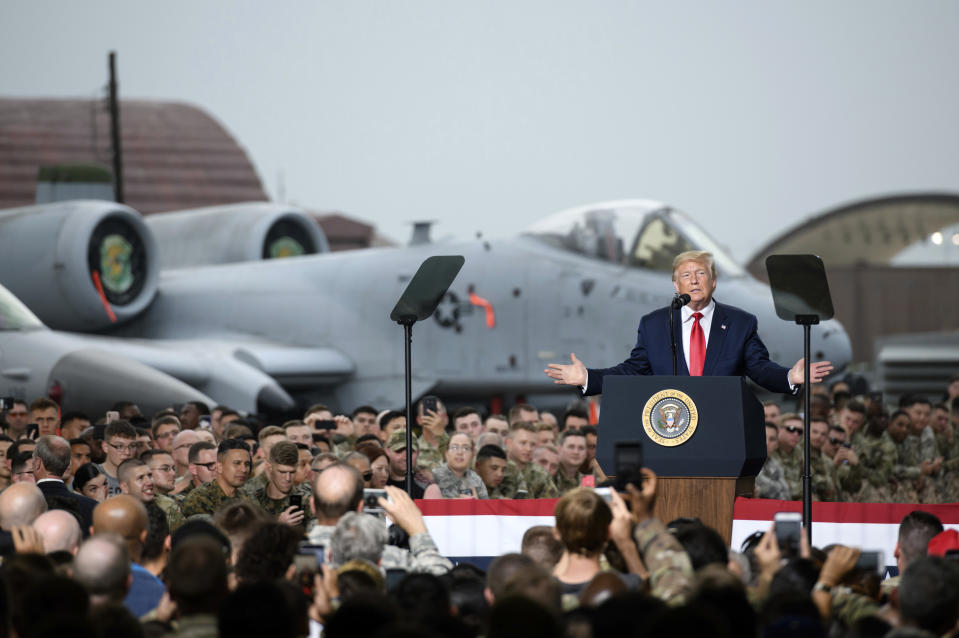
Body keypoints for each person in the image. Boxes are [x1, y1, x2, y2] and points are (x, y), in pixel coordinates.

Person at [545, 250, 832, 394]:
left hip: (721, 433)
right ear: (675, 284)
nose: (694, 280)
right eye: (686, 275)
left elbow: (759, 368)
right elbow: (632, 370)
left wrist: (789, 377)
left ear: (714, 281)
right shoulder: (654, 324)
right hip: (670, 432)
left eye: (701, 274)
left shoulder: (739, 323)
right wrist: (588, 379)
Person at [430, 432, 488, 498]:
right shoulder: (433, 477)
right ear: (446, 454)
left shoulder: (477, 480)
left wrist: (476, 504)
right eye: (454, 448)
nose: (459, 452)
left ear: (472, 455)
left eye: (465, 448)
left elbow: (486, 506)